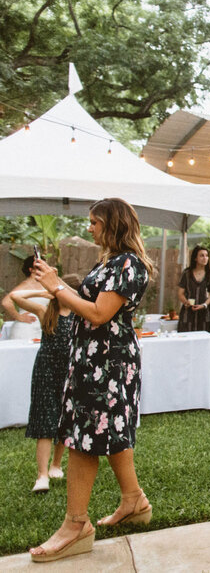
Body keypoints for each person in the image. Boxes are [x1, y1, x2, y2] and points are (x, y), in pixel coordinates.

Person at [29, 198, 152, 563]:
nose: (90, 228)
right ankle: (134, 501)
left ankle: (76, 525)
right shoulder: (111, 262)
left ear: (113, 224)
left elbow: (100, 313)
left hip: (108, 363)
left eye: (94, 222)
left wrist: (56, 287)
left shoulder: (129, 264)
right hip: (93, 359)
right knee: (108, 432)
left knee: (84, 438)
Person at [11, 274, 82, 493]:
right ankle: (42, 475)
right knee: (45, 420)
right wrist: (43, 291)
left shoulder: (79, 314)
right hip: (46, 370)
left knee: (64, 418)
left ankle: (56, 465)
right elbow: (15, 295)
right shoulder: (45, 312)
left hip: (70, 371)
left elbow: (84, 295)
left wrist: (64, 287)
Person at [177, 245, 210, 333]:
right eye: (202, 255)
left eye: (206, 255)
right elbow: (180, 293)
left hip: (205, 313)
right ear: (195, 258)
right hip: (188, 313)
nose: (205, 258)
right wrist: (186, 302)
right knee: (186, 339)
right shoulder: (187, 274)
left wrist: (204, 305)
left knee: (204, 339)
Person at [3, 256, 45, 340]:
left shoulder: (44, 284)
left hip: (41, 328)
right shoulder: (25, 285)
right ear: (31, 269)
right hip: (26, 329)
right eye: (38, 267)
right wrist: (18, 316)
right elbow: (6, 302)